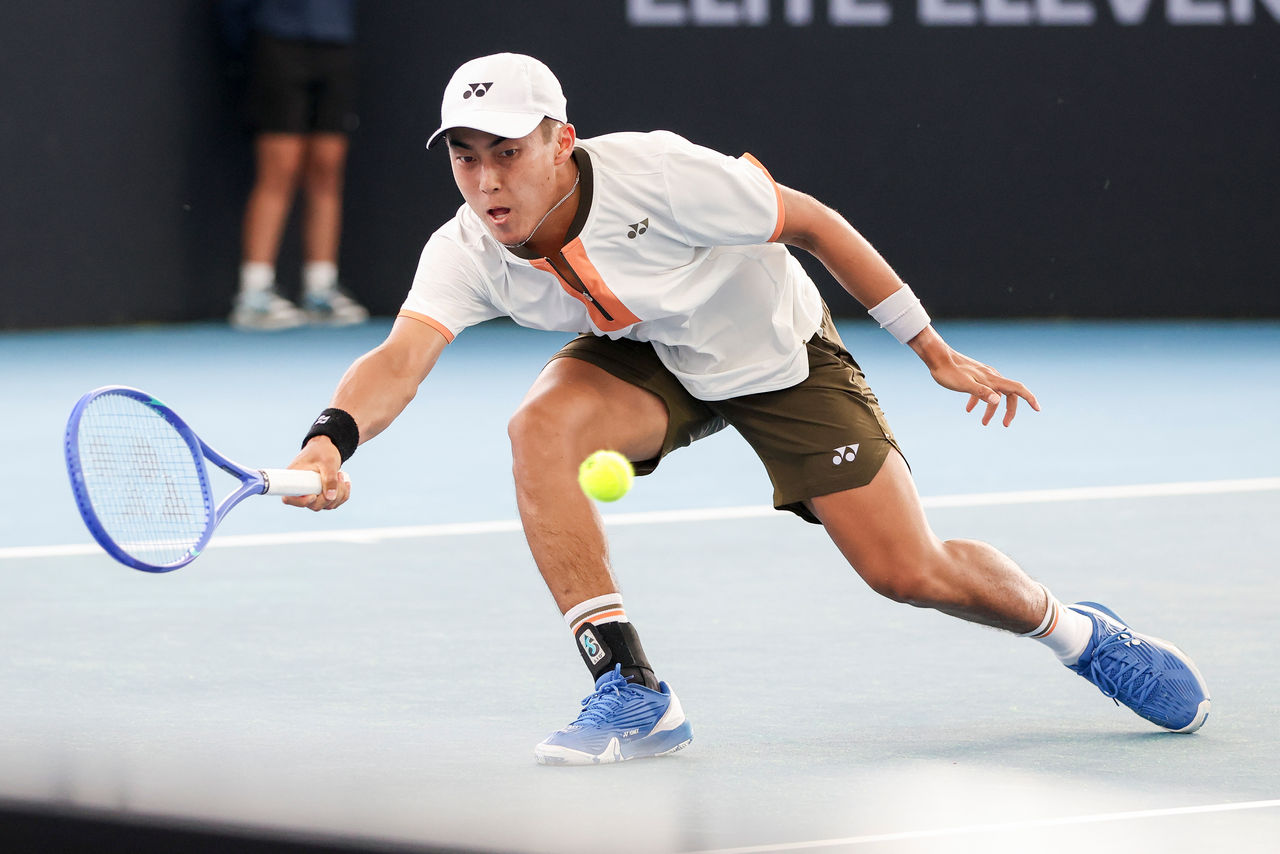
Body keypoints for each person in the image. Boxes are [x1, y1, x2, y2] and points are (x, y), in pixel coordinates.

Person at [284, 53, 1210, 765]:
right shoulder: (467, 247)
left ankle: (1079, 633)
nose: (487, 183)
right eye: (465, 157)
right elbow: (402, 356)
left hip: (778, 355)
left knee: (907, 570)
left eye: (508, 154)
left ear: (562, 141)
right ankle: (632, 688)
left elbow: (812, 222)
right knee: (539, 428)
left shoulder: (660, 175)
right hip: (648, 355)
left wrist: (928, 346)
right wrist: (330, 445)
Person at [221, 0, 369, 330]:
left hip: (335, 43)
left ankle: (321, 288)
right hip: (277, 41)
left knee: (327, 168)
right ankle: (255, 292)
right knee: (280, 168)